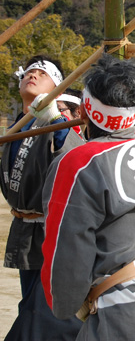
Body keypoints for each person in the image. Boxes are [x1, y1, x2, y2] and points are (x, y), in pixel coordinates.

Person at [40, 55, 135, 340]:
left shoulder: (79, 163)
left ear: (85, 111)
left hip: (124, 312)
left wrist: (65, 305)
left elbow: (66, 247)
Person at [2, 55, 84, 340]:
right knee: (30, 305)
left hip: (53, 233)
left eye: (42, 72)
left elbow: (77, 157)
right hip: (25, 228)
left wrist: (56, 120)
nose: (32, 75)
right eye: (29, 72)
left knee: (42, 315)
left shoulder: (56, 122)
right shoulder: (18, 126)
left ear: (58, 87)